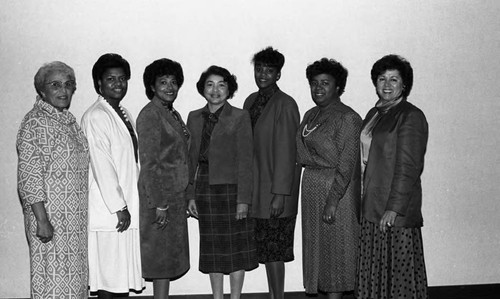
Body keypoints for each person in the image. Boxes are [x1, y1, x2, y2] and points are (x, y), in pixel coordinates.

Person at [355, 54, 429, 299]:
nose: (387, 85)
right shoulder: (374, 114)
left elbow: (408, 168)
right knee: (375, 272)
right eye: (381, 78)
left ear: (404, 84)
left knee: (397, 277)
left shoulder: (410, 116)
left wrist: (393, 209)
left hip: (392, 211)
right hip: (371, 206)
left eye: (394, 79)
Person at [17, 61, 89, 298]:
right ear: (41, 90)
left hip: (73, 221)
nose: (63, 90)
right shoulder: (35, 122)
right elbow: (29, 175)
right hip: (50, 218)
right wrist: (41, 220)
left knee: (72, 283)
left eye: (68, 85)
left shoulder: (67, 120)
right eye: (55, 85)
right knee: (52, 281)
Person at [187, 65, 258, 299]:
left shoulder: (239, 116)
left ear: (229, 89)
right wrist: (190, 195)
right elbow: (189, 160)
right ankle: (217, 297)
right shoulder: (194, 117)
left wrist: (243, 200)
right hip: (204, 187)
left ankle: (235, 297)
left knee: (236, 247)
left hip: (233, 189)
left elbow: (247, 161)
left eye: (221, 84)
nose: (215, 90)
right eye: (210, 84)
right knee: (212, 248)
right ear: (202, 89)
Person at [296, 58, 362, 299]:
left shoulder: (348, 118)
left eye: (325, 83)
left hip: (336, 191)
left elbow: (347, 164)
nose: (318, 88)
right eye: (314, 83)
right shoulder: (310, 114)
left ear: (338, 87)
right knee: (317, 248)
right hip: (311, 186)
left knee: (336, 250)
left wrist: (333, 200)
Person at [81, 53, 144, 298]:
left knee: (120, 277)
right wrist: (119, 206)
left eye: (122, 79)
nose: (118, 84)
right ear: (99, 83)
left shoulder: (122, 112)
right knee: (109, 278)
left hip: (125, 206)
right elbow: (102, 166)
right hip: (111, 213)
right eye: (110, 79)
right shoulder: (96, 116)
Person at [243, 46, 300, 299]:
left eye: (269, 70)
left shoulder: (285, 104)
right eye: (259, 69)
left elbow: (288, 152)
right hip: (256, 191)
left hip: (276, 194)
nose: (263, 74)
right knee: (265, 251)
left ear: (278, 74)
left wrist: (279, 194)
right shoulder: (250, 101)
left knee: (275, 253)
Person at [137, 58, 191, 299]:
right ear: (151, 86)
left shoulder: (171, 113)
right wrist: (159, 203)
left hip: (174, 198)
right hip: (160, 198)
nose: (170, 87)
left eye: (173, 82)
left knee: (167, 260)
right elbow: (149, 164)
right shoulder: (150, 115)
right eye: (163, 82)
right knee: (160, 260)